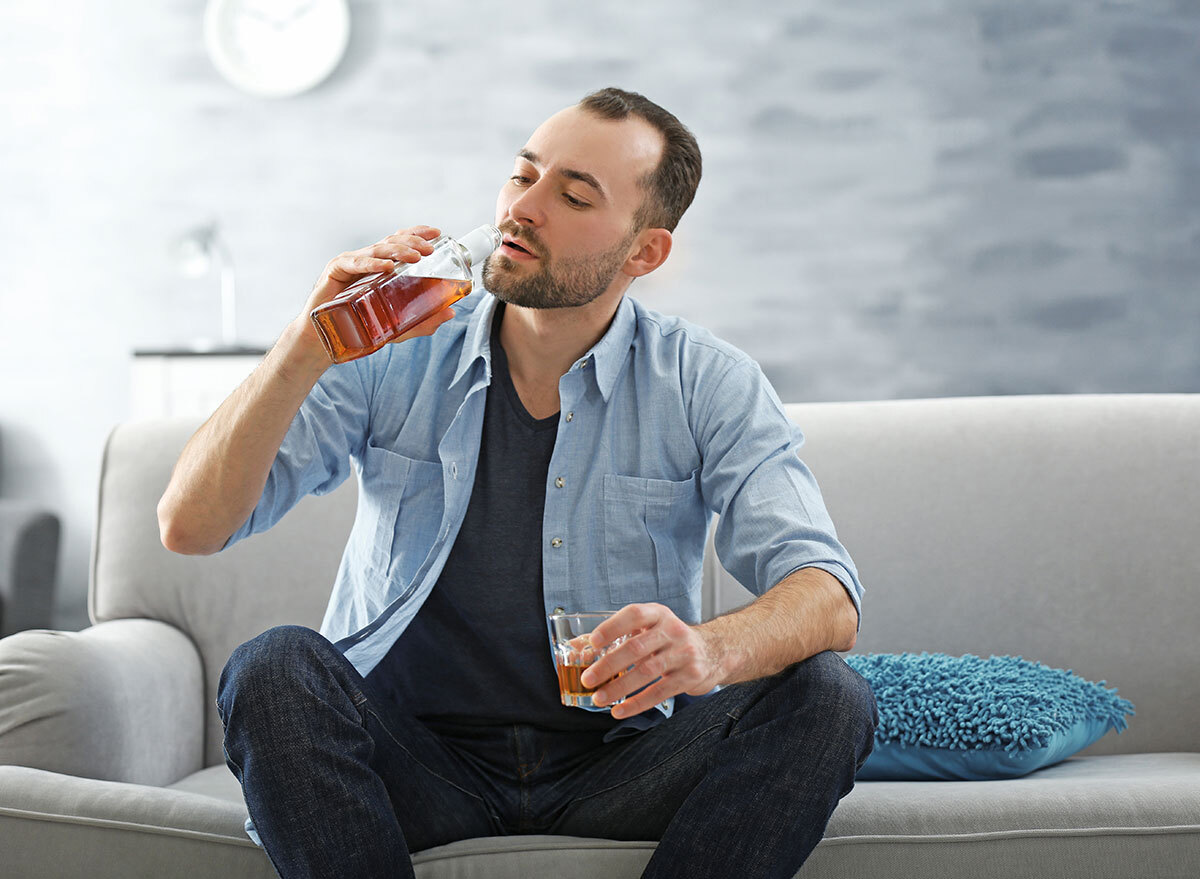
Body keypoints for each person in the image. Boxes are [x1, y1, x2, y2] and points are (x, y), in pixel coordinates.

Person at [158, 87, 878, 879]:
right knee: (274, 666)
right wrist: (307, 341)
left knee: (831, 694)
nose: (523, 208)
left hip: (621, 762)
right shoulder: (392, 351)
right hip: (413, 760)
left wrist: (708, 650)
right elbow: (188, 526)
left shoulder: (706, 381)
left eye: (573, 195)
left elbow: (827, 596)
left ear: (645, 252)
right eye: (522, 175)